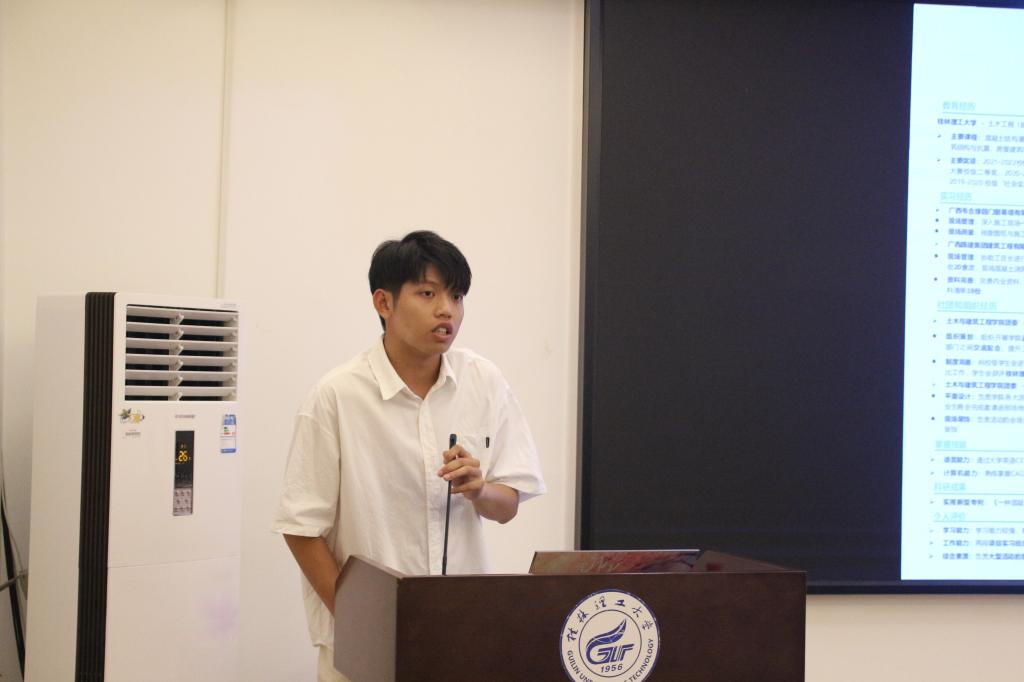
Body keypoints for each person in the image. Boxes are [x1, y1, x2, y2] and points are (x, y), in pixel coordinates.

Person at [272, 230, 546, 682]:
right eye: (427, 294)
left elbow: (508, 505)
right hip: (367, 649)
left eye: (456, 296)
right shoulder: (336, 396)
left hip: (463, 632)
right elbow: (301, 528)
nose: (447, 310)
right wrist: (360, 621)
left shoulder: (484, 382)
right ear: (384, 303)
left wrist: (480, 491)